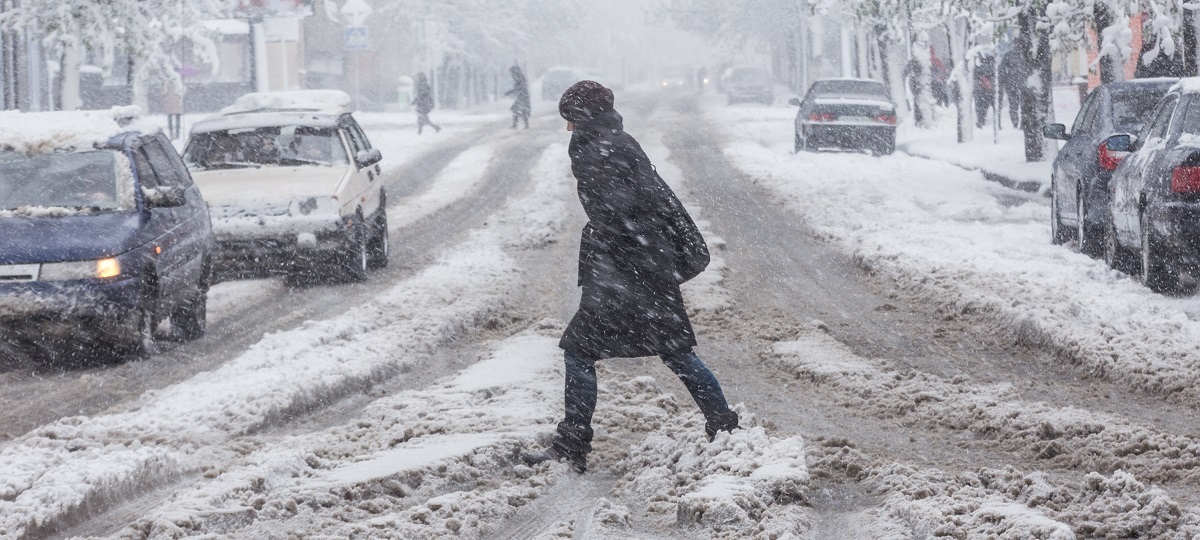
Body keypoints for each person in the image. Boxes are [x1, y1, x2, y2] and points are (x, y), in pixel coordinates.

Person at [520, 80, 740, 474]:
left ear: (581, 116)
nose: (567, 128)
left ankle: (572, 447)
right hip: (645, 265)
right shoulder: (619, 140)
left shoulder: (597, 149)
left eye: (569, 119)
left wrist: (609, 249)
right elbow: (644, 204)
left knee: (580, 351)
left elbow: (620, 212)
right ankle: (725, 429)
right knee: (677, 351)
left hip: (624, 271)